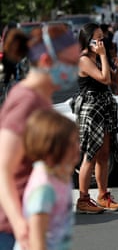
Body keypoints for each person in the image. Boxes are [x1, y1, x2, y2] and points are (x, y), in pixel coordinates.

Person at [0, 24, 79, 250]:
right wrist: (20, 225)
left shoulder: (42, 99)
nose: (76, 69)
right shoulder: (25, 101)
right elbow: (3, 170)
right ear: (46, 61)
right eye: (71, 63)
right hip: (13, 230)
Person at [75, 22, 118, 214]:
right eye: (97, 38)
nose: (102, 41)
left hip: (105, 105)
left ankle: (103, 195)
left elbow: (114, 83)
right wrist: (104, 56)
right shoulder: (85, 60)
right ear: (88, 40)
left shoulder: (98, 58)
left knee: (104, 153)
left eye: (103, 37)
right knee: (90, 155)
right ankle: (83, 199)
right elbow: (104, 79)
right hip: (92, 107)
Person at [14, 109, 78, 250]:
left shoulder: (61, 175)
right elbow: (36, 238)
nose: (78, 148)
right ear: (51, 147)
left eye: (77, 142)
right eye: (71, 144)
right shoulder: (44, 188)